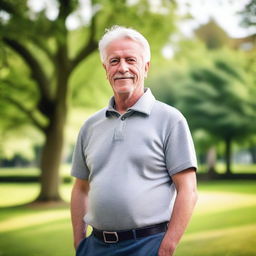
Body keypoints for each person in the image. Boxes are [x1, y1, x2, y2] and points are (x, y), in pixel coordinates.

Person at [70, 25, 198, 256]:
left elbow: (188, 189)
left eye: (131, 60)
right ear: (105, 68)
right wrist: (80, 244)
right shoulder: (90, 126)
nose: (123, 68)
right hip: (94, 247)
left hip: (148, 246)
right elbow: (80, 189)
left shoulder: (170, 119)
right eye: (114, 61)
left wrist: (167, 248)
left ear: (146, 67)